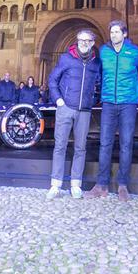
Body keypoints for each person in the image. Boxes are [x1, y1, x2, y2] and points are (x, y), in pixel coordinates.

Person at [85, 20, 138, 202]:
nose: (114, 35)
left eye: (117, 32)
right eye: (112, 32)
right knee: (105, 143)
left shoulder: (134, 52)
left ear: (124, 34)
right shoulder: (104, 51)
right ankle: (101, 184)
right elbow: (98, 73)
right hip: (109, 102)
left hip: (128, 103)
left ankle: (123, 185)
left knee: (126, 144)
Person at [45, 29, 102, 200]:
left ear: (92, 43)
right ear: (77, 41)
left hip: (84, 111)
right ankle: (55, 184)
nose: (84, 43)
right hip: (66, 108)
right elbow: (52, 80)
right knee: (60, 145)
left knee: (80, 148)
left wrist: (92, 101)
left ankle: (75, 184)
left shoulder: (95, 62)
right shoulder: (66, 59)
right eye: (81, 40)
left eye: (88, 40)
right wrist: (59, 101)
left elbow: (99, 84)